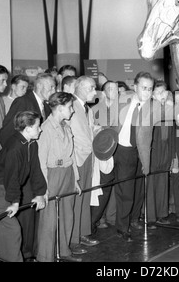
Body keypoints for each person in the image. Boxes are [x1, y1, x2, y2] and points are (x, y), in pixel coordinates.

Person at [0, 72, 56, 260]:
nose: (54, 91)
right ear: (40, 87)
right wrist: (20, 156)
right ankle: (21, 253)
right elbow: (6, 134)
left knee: (32, 214)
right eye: (51, 87)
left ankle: (30, 251)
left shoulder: (45, 106)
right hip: (22, 164)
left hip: (34, 164)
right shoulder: (23, 102)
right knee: (24, 214)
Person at [113, 71, 173, 242]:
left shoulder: (154, 106)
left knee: (139, 190)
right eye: (144, 88)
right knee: (126, 192)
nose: (147, 92)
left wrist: (168, 102)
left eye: (150, 89)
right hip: (122, 149)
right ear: (135, 87)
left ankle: (133, 219)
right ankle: (122, 227)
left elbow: (173, 113)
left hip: (141, 153)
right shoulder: (122, 99)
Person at [0, 111, 47, 262]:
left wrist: (39, 193)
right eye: (38, 125)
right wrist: (15, 203)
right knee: (12, 229)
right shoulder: (15, 147)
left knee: (3, 227)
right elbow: (12, 178)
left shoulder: (32, 143)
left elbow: (35, 170)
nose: (41, 129)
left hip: (4, 187)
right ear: (28, 128)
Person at [36, 92, 83, 262]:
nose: (72, 110)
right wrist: (43, 188)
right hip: (52, 173)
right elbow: (40, 161)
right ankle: (45, 256)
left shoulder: (66, 126)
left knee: (66, 214)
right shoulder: (45, 129)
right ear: (60, 108)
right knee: (48, 218)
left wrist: (75, 180)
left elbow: (72, 156)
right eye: (70, 107)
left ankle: (64, 250)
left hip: (67, 173)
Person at [68, 75, 101, 255]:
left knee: (85, 197)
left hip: (88, 157)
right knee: (76, 199)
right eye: (91, 88)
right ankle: (73, 239)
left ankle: (82, 233)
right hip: (77, 159)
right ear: (79, 88)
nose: (95, 92)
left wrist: (98, 129)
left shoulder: (85, 108)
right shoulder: (70, 106)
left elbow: (88, 129)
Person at [90, 80, 119, 233]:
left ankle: (112, 216)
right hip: (102, 155)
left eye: (115, 89)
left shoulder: (123, 110)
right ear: (103, 92)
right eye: (109, 88)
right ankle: (98, 218)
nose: (113, 91)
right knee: (101, 187)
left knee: (114, 187)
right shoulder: (94, 110)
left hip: (118, 151)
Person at [146, 80, 174, 226]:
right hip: (153, 149)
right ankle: (150, 217)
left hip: (165, 148)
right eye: (158, 92)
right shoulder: (150, 108)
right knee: (151, 183)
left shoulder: (169, 108)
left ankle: (162, 213)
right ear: (152, 95)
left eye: (164, 91)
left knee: (163, 181)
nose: (162, 95)